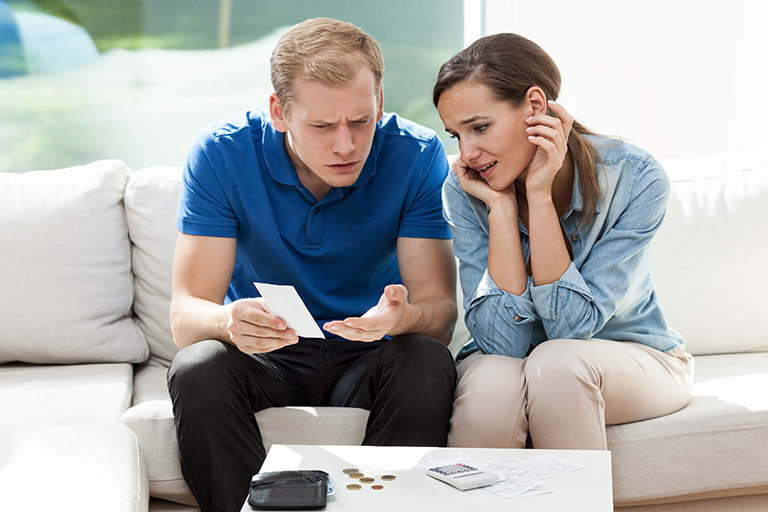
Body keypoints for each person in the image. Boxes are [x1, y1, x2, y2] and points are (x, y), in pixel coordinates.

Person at [167, 18, 457, 512]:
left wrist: (403, 317)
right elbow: (185, 315)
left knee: (427, 360)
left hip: (368, 352)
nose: (345, 145)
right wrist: (228, 322)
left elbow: (440, 312)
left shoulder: (416, 155)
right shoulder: (222, 155)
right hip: (268, 357)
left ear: (380, 103)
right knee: (197, 366)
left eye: (361, 121)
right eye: (322, 126)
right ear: (280, 112)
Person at [433, 33, 694, 450]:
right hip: (524, 361)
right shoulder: (463, 187)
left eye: (480, 128)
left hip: (637, 355)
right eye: (456, 136)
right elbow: (502, 344)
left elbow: (571, 329)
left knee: (556, 366)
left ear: (535, 107)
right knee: (492, 386)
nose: (468, 153)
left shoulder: (636, 178)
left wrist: (538, 196)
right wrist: (501, 210)